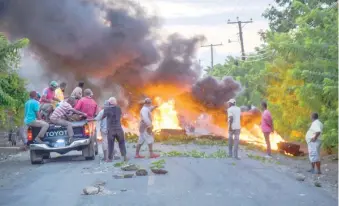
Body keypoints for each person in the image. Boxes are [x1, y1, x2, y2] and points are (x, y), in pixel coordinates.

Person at [101, 97, 127, 162]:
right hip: (119, 129)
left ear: (109, 103)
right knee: (121, 143)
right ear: (115, 102)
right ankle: (125, 157)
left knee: (110, 144)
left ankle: (110, 159)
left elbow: (103, 117)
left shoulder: (106, 109)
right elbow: (121, 116)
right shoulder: (119, 108)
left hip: (111, 130)